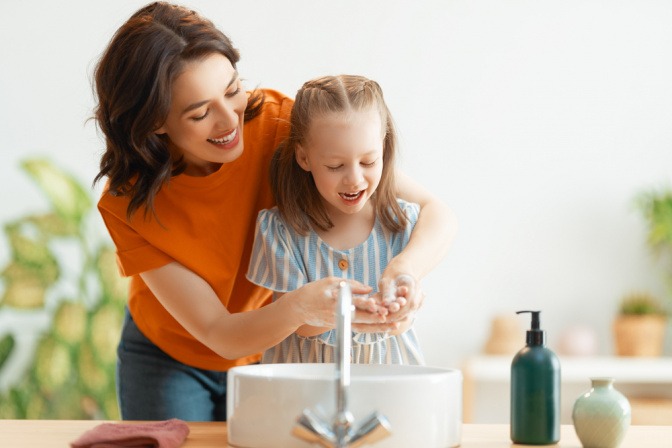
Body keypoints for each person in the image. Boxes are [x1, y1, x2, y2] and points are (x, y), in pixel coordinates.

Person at [93, 1, 456, 421]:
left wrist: (404, 269)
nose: (230, 120)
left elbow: (434, 211)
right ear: (156, 121)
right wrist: (301, 308)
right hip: (171, 357)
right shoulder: (127, 202)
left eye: (232, 90)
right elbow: (218, 333)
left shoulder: (282, 127)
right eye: (200, 112)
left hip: (278, 351)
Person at [247, 75, 425, 365]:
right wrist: (351, 313)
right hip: (305, 385)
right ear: (304, 158)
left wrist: (401, 310)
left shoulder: (404, 221)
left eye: (368, 162)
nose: (354, 179)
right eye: (335, 165)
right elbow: (299, 324)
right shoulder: (280, 229)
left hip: (388, 380)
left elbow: (405, 320)